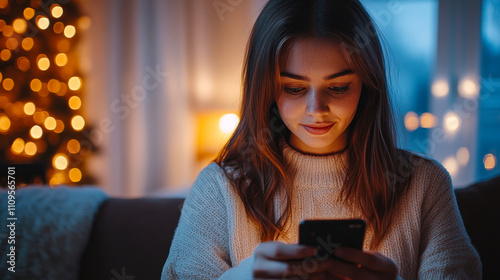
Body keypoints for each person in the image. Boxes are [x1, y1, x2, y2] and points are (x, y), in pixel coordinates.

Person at [162, 0, 482, 279]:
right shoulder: (219, 189)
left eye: (339, 87)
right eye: (294, 88)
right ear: (265, 89)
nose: (317, 110)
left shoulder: (424, 185)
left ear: (367, 86)